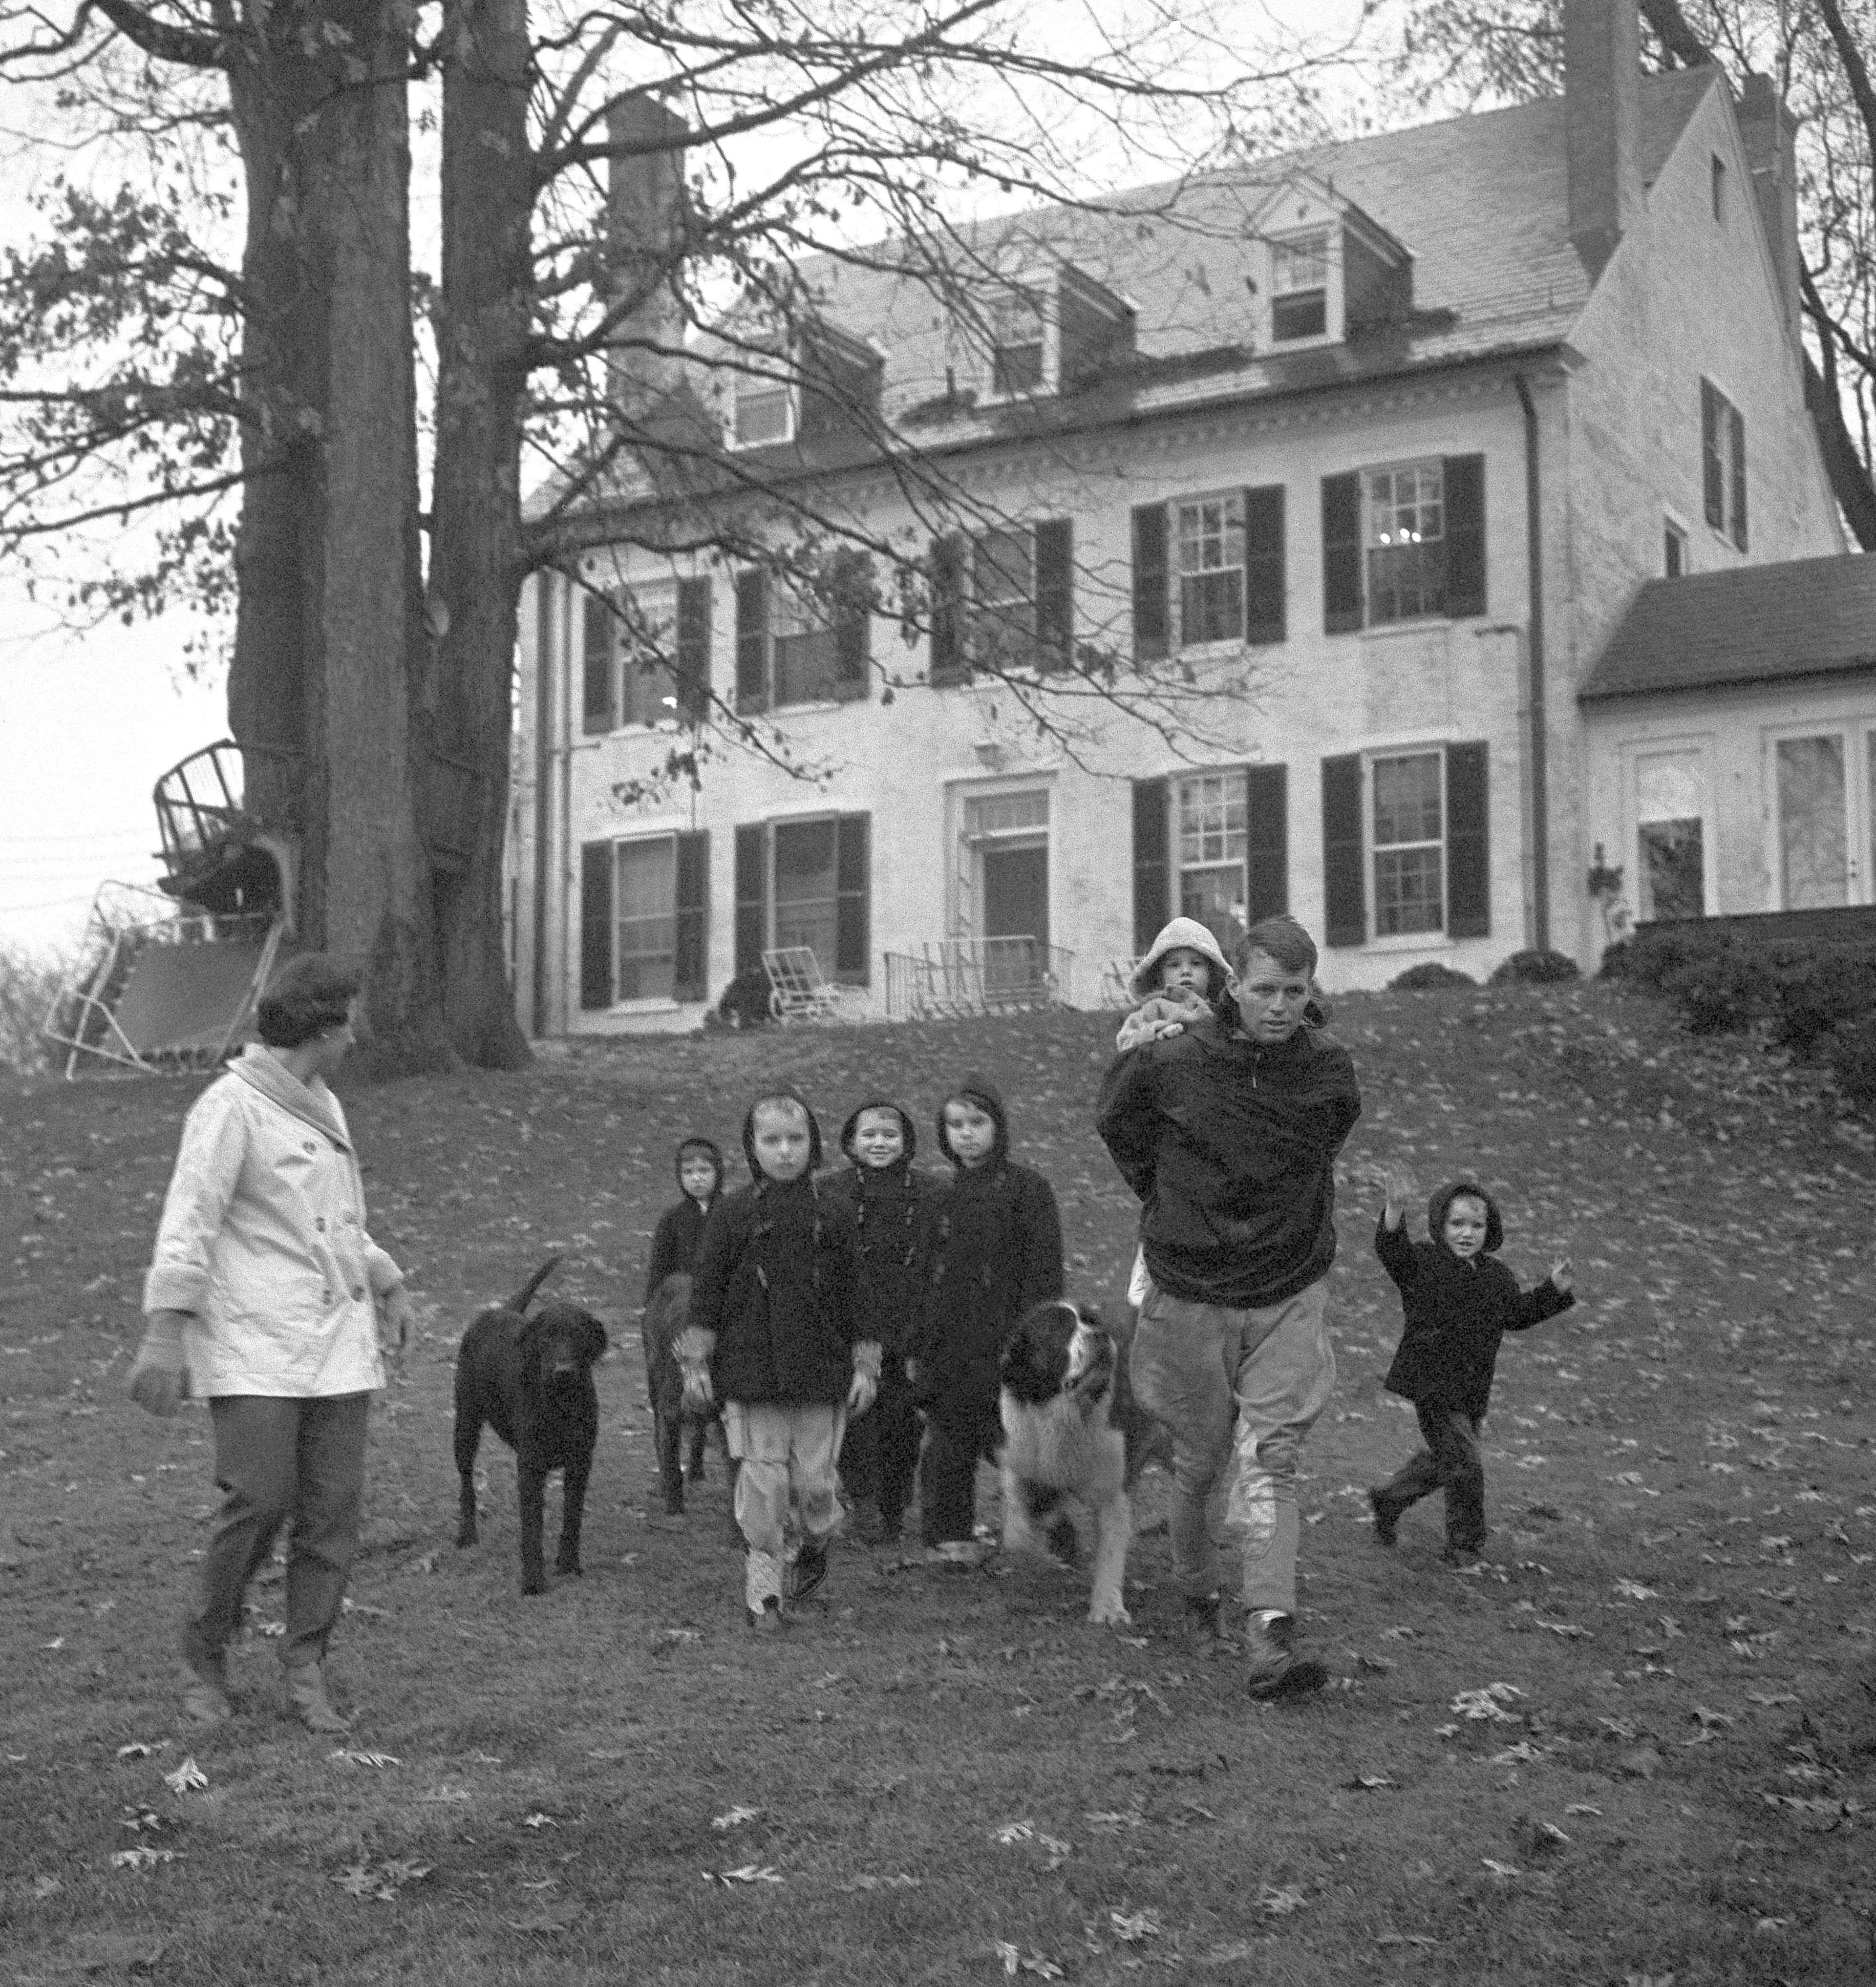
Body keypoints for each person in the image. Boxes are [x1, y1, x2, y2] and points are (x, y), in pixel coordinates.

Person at [127, 954, 413, 1733]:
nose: (354, 1037)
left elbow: (336, 1222)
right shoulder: (229, 1108)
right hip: (255, 1341)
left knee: (332, 1512)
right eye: (347, 1021)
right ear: (321, 1027)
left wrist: (384, 1278)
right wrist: (166, 1329)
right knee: (260, 1498)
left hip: (337, 1342)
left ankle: (306, 1665)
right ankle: (204, 1650)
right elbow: (190, 1218)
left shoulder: (325, 1104)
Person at [1095, 913, 1360, 1699]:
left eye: (1294, 991)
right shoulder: (1168, 1064)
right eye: (1264, 989)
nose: (1278, 1006)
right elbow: (1120, 1129)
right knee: (1201, 1461)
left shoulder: (1329, 1069)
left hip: (1288, 1285)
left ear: (1311, 993)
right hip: (1192, 1289)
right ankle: (1197, 1589)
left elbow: (1323, 1146)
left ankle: (1270, 1630)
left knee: (1274, 1457)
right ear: (1232, 985)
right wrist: (1172, 1197)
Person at [679, 1092, 876, 1629]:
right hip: (752, 1374)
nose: (785, 1152)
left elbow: (860, 1296)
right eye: (772, 1141)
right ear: (751, 1147)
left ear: (812, 1144)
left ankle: (815, 1543)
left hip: (822, 1374)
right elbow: (707, 1296)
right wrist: (696, 1364)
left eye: (795, 1140)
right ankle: (763, 1590)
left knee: (816, 1488)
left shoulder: (835, 1213)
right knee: (763, 1486)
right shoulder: (731, 1214)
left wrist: (866, 1366)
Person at [1368, 1171, 1576, 1564]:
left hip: (1472, 1389)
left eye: (1477, 1225)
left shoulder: (1497, 1276)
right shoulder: (1424, 1263)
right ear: (1440, 1226)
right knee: (1465, 1464)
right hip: (1431, 1385)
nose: (1467, 1233)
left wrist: (1553, 1289)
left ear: (1489, 1228)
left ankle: (1390, 1499)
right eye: (1457, 1224)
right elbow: (1392, 1253)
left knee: (1447, 1461)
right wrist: (1395, 1209)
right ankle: (1464, 1548)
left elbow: (1516, 1315)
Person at [906, 1076, 1063, 1566]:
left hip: (1011, 1342)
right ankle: (950, 1537)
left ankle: (1047, 1535)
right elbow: (926, 1274)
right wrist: (919, 1344)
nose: (966, 1134)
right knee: (948, 1443)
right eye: (955, 1125)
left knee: (1021, 1444)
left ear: (998, 1126)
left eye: (977, 1122)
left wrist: (1038, 1340)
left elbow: (1044, 1271)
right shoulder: (939, 1196)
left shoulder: (1027, 1190)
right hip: (951, 1346)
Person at [825, 1100, 937, 1545]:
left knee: (902, 1419)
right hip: (850, 1324)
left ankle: (895, 1506)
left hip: (909, 1322)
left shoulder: (931, 1194)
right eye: (869, 1135)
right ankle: (863, 1501)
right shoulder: (830, 1192)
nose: (879, 1143)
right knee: (856, 1415)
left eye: (890, 1135)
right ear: (851, 1142)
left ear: (907, 1141)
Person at [641, 1136, 726, 1512]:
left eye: (704, 1170)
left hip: (719, 1316)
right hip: (674, 1316)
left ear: (719, 1173)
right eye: (688, 1172)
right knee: (668, 1392)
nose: (697, 1178)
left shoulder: (731, 1213)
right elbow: (658, 1275)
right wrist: (653, 1319)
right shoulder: (673, 1220)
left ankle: (699, 1460)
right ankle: (668, 1474)